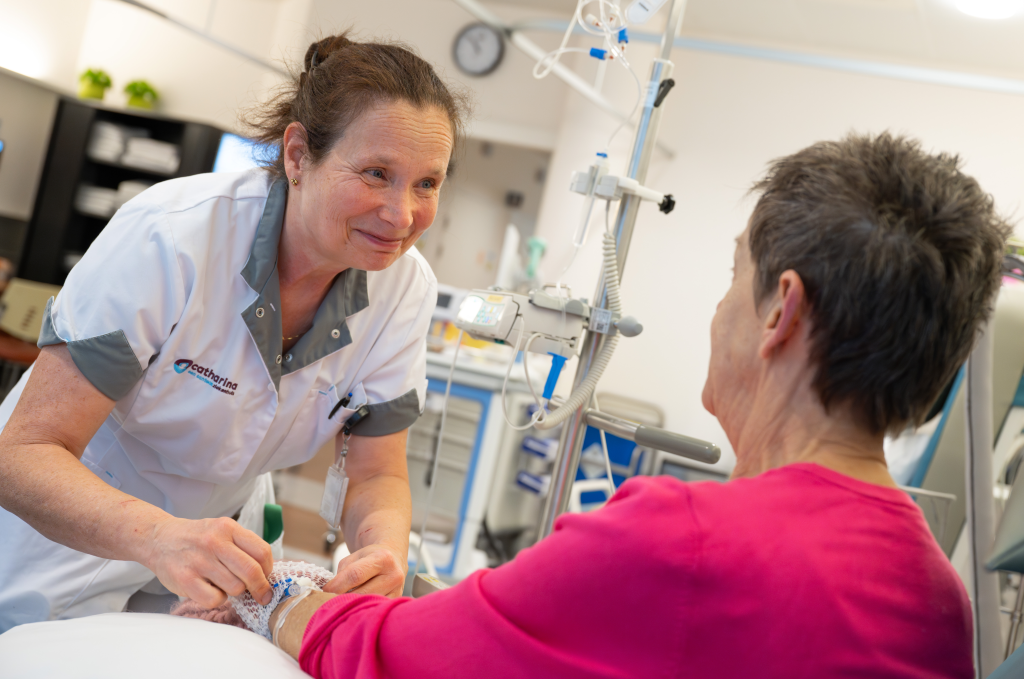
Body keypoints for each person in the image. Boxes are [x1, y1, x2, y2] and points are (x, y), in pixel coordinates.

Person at [243, 133, 1005, 678]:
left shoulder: (689, 541)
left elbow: (396, 656)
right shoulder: (939, 596)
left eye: (733, 274)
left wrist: (276, 597)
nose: (718, 310)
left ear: (782, 312)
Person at [0, 34, 467, 631]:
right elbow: (23, 454)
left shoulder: (404, 289)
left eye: (427, 183)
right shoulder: (172, 238)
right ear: (297, 154)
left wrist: (380, 552)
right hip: (68, 535)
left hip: (220, 556)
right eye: (377, 173)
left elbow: (377, 472)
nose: (402, 216)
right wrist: (161, 538)